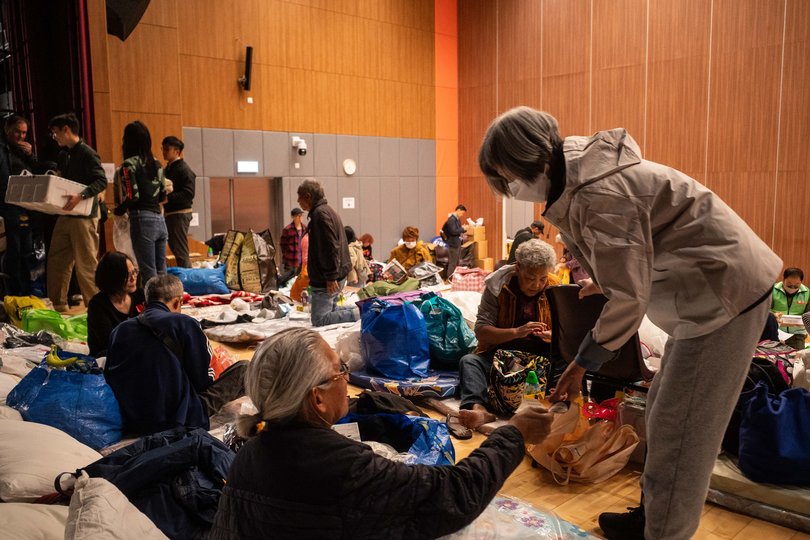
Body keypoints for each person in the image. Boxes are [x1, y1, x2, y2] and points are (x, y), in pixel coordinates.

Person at [478, 106, 782, 540]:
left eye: (505, 175)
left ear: (527, 157)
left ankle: (663, 531)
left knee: (683, 436)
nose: (509, 186)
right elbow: (639, 249)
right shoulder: (582, 180)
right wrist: (606, 282)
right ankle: (650, 517)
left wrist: (581, 363)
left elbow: (630, 296)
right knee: (663, 413)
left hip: (725, 298)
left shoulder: (600, 192)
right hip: (704, 295)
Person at [209, 327, 553, 539]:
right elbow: (453, 494)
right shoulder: (344, 466)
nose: (346, 378)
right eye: (340, 371)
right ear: (317, 398)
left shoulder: (252, 452)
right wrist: (515, 433)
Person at [106, 274, 247, 435]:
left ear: (146, 302)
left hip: (132, 421)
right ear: (177, 302)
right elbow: (201, 382)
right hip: (176, 420)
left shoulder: (119, 331)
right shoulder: (185, 324)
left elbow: (110, 376)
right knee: (244, 369)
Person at [457, 239, 560, 430]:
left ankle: (553, 411)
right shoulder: (498, 287)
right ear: (518, 268)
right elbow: (482, 332)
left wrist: (552, 336)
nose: (537, 284)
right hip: (501, 357)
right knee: (470, 362)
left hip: (542, 358)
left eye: (542, 278)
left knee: (569, 366)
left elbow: (568, 334)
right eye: (530, 277)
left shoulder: (555, 288)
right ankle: (478, 409)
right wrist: (517, 332)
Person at [47, 113, 108, 311]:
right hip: (65, 213)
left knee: (86, 264)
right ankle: (58, 304)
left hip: (84, 215)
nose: (55, 137)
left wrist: (81, 195)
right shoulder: (65, 154)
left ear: (66, 129)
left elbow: (101, 181)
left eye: (56, 132)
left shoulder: (87, 153)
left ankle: (96, 307)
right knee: (58, 259)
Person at [297, 179, 358, 327]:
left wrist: (331, 277)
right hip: (336, 274)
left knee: (320, 319)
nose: (298, 201)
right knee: (332, 310)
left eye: (300, 197)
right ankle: (360, 310)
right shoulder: (328, 211)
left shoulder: (320, 215)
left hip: (327, 279)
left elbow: (330, 247)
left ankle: (359, 313)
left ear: (308, 196)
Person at [113, 121, 168, 283]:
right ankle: (165, 305)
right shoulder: (157, 164)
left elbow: (133, 195)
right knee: (161, 270)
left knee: (148, 271)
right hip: (159, 220)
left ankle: (153, 306)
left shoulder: (128, 165)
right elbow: (163, 197)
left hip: (141, 220)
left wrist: (118, 211)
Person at [0, 115, 37, 295]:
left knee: (27, 251)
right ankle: (13, 293)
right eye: (17, 132)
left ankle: (27, 292)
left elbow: (37, 170)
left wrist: (30, 155)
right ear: (7, 130)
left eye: (24, 133)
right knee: (12, 252)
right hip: (7, 208)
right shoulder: (2, 149)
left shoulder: (23, 151)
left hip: (26, 207)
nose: (21, 136)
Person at [86, 251, 145, 358]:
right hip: (109, 357)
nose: (133, 278)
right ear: (113, 277)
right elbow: (109, 343)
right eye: (128, 275)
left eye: (134, 272)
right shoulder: (98, 305)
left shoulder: (140, 295)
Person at [161, 135, 196, 268]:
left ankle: (188, 282)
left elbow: (188, 194)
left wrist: (166, 198)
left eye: (167, 149)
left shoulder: (184, 169)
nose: (164, 152)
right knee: (176, 249)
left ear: (177, 151)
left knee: (180, 251)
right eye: (163, 149)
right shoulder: (167, 169)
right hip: (171, 214)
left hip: (180, 214)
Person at [771, 267, 809, 350]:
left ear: (801, 282)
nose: (792, 287)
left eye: (796, 285)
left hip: (797, 333)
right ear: (783, 279)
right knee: (775, 359)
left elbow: (808, 314)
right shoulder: (772, 290)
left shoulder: (807, 293)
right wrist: (773, 315)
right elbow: (764, 311)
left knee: (798, 359)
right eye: (789, 283)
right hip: (776, 331)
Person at [441, 204, 468, 278]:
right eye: (462, 213)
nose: (462, 215)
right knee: (452, 263)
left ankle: (454, 278)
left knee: (456, 262)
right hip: (453, 244)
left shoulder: (457, 219)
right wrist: (463, 228)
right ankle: (450, 279)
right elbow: (453, 231)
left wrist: (463, 228)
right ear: (458, 210)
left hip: (457, 243)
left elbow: (458, 230)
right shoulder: (451, 219)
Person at [280, 207, 307, 276]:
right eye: (298, 216)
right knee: (289, 281)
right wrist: (287, 255)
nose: (300, 217)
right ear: (293, 217)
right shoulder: (287, 229)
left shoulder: (305, 228)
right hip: (291, 260)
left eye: (301, 215)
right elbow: (282, 245)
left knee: (301, 280)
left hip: (302, 260)